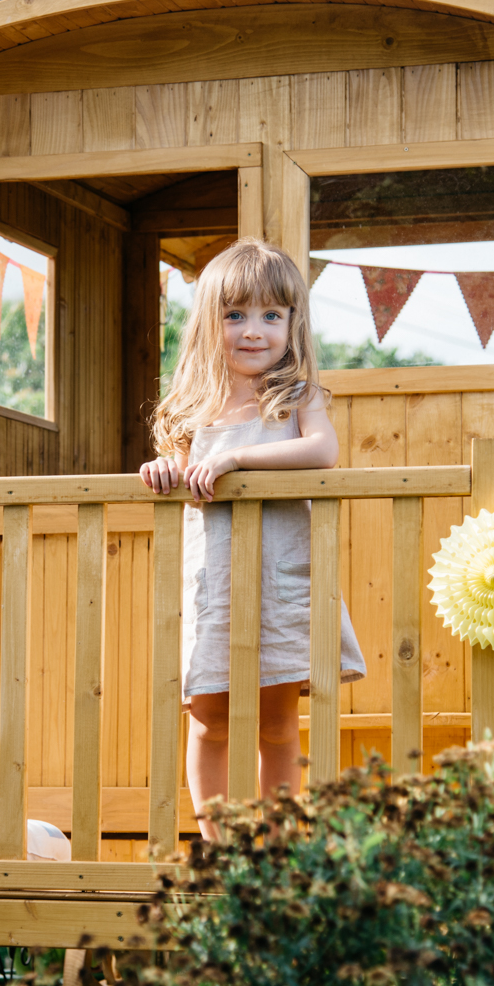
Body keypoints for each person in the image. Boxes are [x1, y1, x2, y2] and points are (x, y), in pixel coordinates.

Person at [139, 238, 367, 838]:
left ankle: (277, 846)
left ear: (293, 323)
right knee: (209, 717)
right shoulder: (193, 408)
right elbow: (173, 466)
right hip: (216, 583)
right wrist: (162, 469)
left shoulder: (297, 399)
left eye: (272, 315)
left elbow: (324, 450)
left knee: (277, 723)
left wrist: (238, 458)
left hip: (283, 582)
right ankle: (220, 844)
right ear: (209, 323)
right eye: (235, 314)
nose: (253, 331)